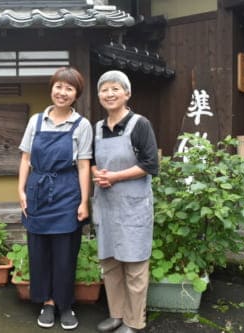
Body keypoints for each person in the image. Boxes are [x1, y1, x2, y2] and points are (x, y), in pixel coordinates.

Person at [18, 66, 93, 330]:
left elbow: (84, 165)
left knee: (65, 252)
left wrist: (84, 201)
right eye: (58, 86)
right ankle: (47, 302)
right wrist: (21, 191)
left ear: (76, 94)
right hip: (37, 190)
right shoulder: (36, 121)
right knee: (39, 251)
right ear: (52, 88)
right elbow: (26, 159)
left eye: (69, 88)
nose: (62, 92)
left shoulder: (82, 125)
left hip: (67, 190)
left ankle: (65, 304)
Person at [91, 70, 158, 333]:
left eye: (115, 89)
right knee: (110, 263)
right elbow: (90, 162)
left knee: (134, 265)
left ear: (127, 94)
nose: (109, 94)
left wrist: (116, 176)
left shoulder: (140, 124)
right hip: (106, 205)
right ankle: (116, 314)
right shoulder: (97, 128)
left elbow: (150, 164)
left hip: (133, 206)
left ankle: (134, 322)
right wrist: (99, 174)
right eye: (104, 89)